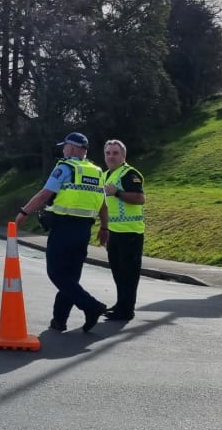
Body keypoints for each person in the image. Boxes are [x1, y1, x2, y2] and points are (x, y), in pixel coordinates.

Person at [15, 131, 109, 333]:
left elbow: (45, 194)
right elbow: (103, 205)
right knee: (70, 277)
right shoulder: (97, 171)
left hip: (64, 228)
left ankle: (91, 306)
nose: (63, 150)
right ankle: (59, 320)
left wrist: (24, 212)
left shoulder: (65, 167)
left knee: (56, 273)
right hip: (84, 230)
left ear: (73, 148)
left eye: (64, 146)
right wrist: (104, 227)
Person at [101, 139, 145, 321]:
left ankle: (127, 310)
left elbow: (140, 198)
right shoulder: (105, 175)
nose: (111, 156)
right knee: (118, 272)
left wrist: (117, 192)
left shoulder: (129, 173)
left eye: (115, 153)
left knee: (129, 274)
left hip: (131, 233)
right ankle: (121, 304)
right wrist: (104, 228)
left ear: (123, 155)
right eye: (108, 153)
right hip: (114, 232)